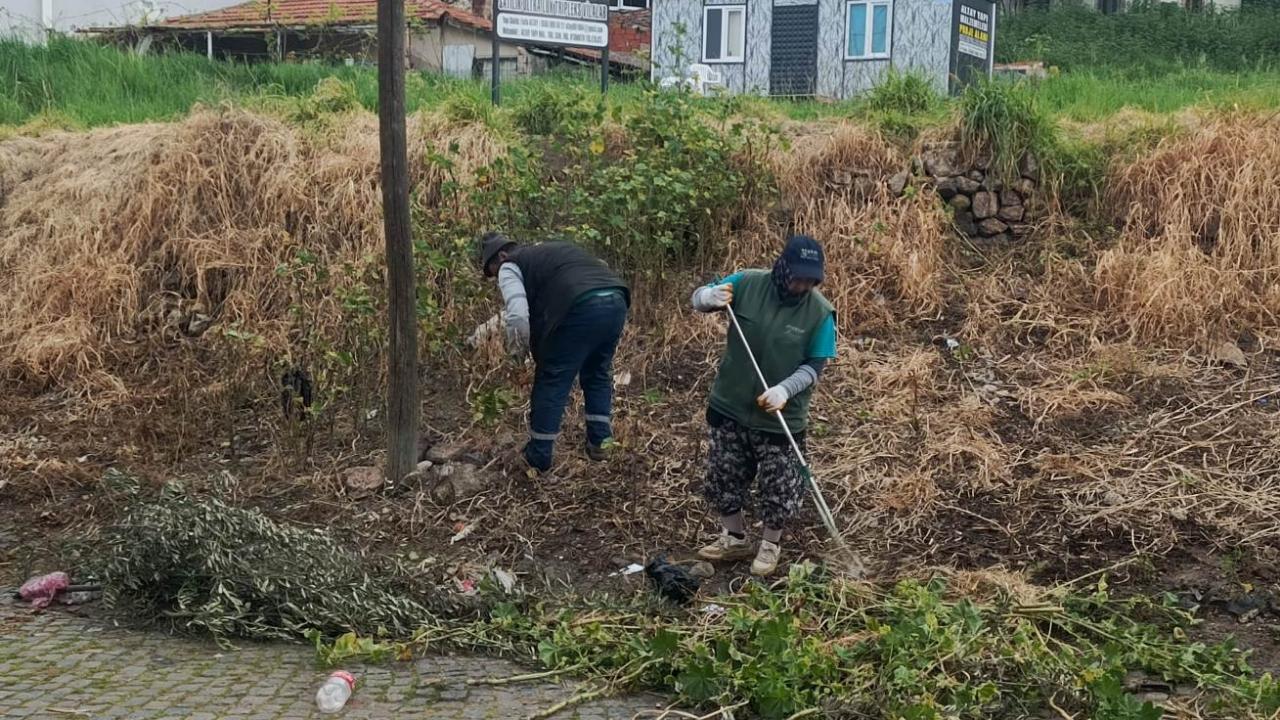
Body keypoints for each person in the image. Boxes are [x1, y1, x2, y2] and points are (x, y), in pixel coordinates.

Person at [689, 235, 837, 576]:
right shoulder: (747, 282)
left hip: (780, 416)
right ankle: (734, 537)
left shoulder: (819, 312)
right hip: (731, 401)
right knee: (724, 474)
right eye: (797, 276)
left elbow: (815, 366)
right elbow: (700, 300)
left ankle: (770, 544)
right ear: (782, 267)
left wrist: (785, 390)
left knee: (779, 484)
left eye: (810, 280)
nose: (801, 285)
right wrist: (707, 297)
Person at [477, 232, 631, 472]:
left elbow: (517, 315)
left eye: (493, 271)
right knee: (598, 373)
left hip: (580, 306)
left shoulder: (509, 266)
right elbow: (597, 269)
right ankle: (601, 443)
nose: (496, 278)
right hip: (616, 298)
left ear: (502, 256)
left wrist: (518, 356)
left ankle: (538, 456)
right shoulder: (551, 251)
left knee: (552, 379)